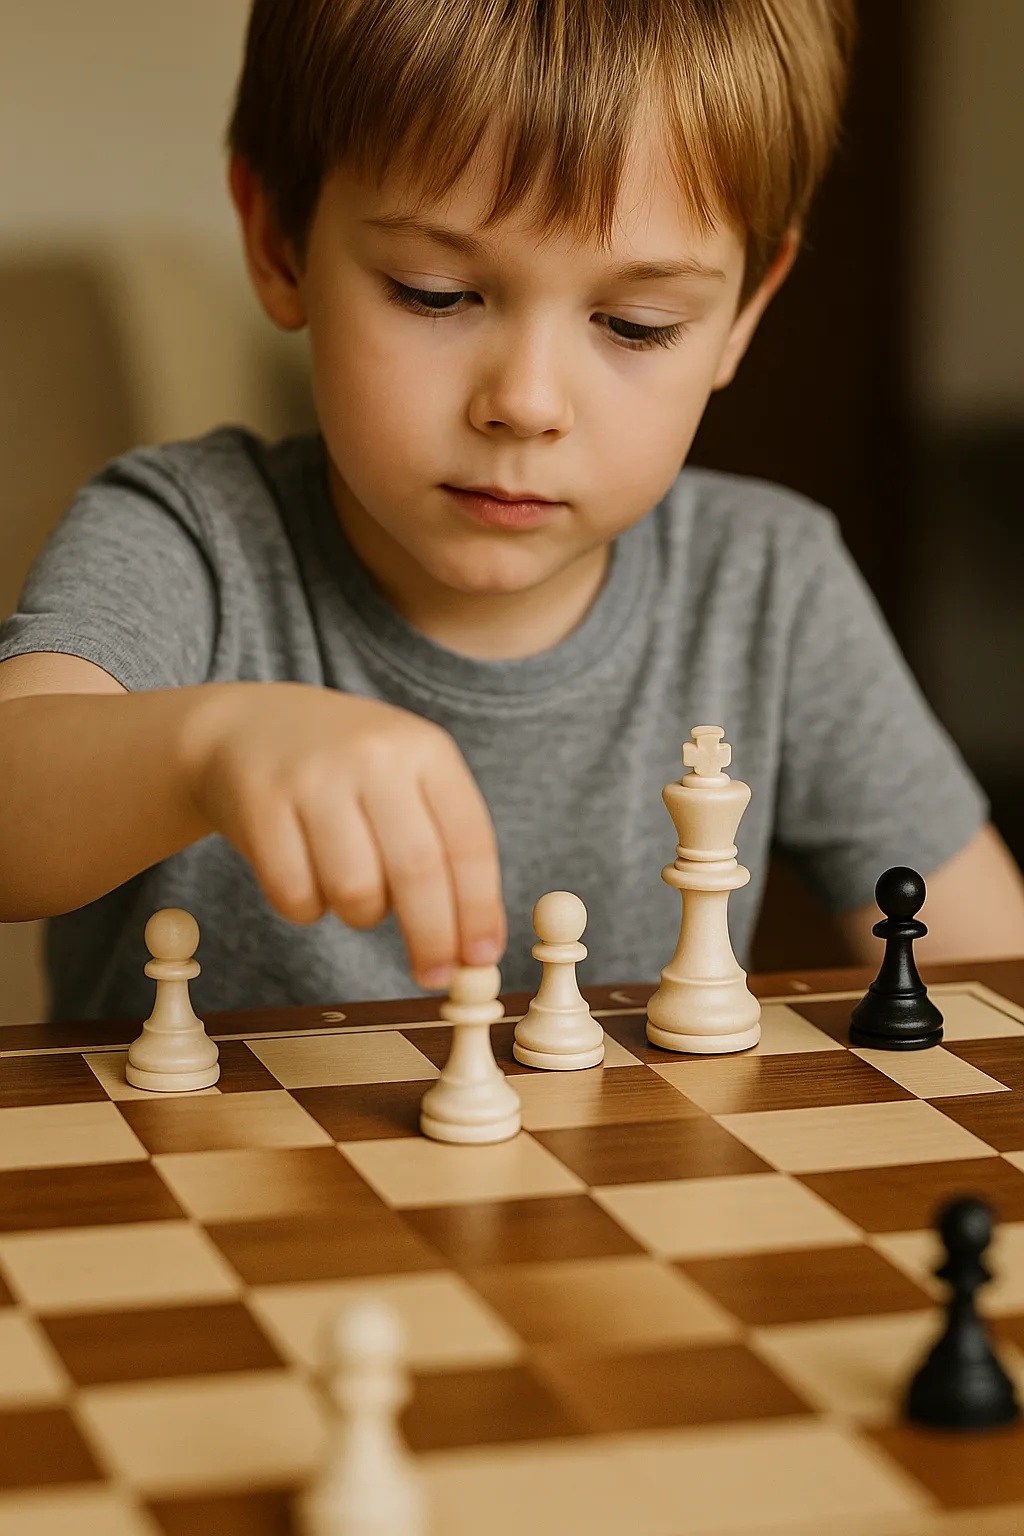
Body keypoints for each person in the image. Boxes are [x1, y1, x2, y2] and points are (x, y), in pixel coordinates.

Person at [1, 0, 1022, 1022]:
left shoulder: (766, 582)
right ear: (277, 242)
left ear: (741, 315)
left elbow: (988, 970)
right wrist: (203, 750)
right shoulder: (186, 538)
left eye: (636, 322)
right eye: (435, 293)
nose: (526, 402)